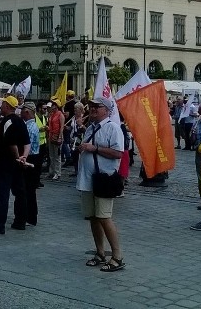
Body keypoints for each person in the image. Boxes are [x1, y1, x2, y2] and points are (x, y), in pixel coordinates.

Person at [78, 96, 125, 272]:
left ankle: (117, 256)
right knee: (93, 217)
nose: (93, 109)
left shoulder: (113, 128)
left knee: (104, 217)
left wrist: (94, 148)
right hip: (88, 179)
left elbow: (119, 153)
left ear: (106, 110)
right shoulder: (90, 127)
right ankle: (100, 253)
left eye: (97, 107)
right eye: (91, 106)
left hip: (104, 179)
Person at [0, 95, 30, 234]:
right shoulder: (21, 121)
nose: (0, 106)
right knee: (20, 192)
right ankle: (20, 221)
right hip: (18, 163)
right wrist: (23, 158)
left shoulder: (8, 122)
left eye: (2, 104)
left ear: (8, 106)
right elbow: (27, 143)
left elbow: (12, 144)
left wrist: (17, 157)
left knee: (3, 194)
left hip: (7, 162)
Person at [22, 102, 42, 226]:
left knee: (29, 189)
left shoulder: (30, 127)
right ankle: (30, 215)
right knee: (29, 189)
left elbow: (26, 144)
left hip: (31, 158)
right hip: (33, 157)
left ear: (28, 112)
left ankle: (30, 217)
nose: (21, 113)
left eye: (23, 110)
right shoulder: (31, 125)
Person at [46, 98, 65, 180]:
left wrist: (60, 137)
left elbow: (61, 127)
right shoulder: (51, 114)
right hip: (51, 136)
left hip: (57, 136)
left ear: (56, 106)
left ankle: (57, 172)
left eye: (53, 105)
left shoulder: (60, 115)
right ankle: (51, 172)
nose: (52, 106)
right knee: (51, 155)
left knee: (57, 156)